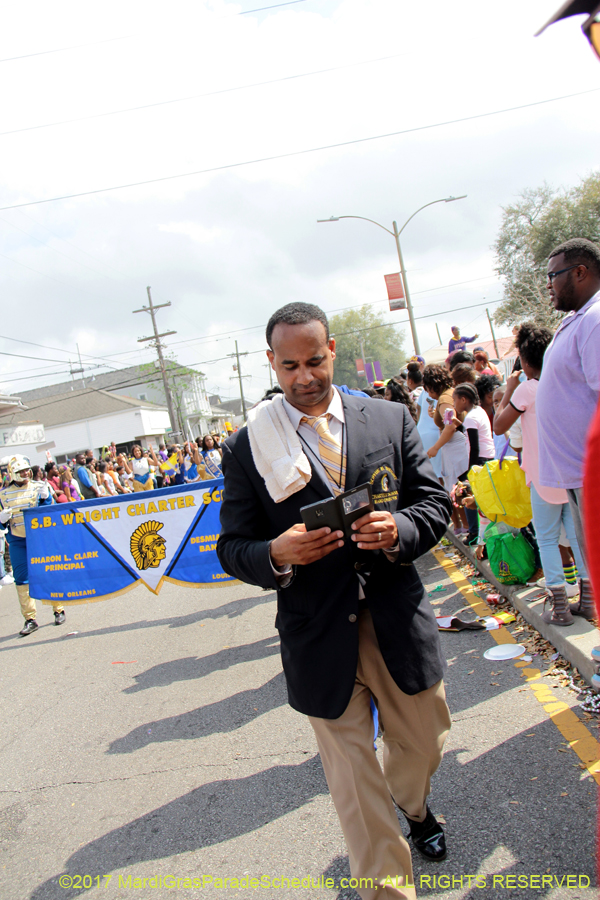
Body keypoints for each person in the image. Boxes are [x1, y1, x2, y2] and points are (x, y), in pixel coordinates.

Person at [217, 302, 453, 899]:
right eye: (290, 364)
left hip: (396, 617)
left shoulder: (389, 419)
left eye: (315, 360)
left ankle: (415, 806)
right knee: (352, 781)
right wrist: (277, 551)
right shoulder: (248, 447)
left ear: (332, 351)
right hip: (318, 634)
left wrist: (398, 532)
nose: (304, 376)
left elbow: (432, 503)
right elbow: (231, 546)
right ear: (271, 362)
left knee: (424, 746)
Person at [536, 238, 600, 593]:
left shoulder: (595, 319)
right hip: (579, 474)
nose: (549, 285)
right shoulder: (579, 319)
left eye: (553, 276)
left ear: (579, 272)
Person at [0, 455, 66, 636]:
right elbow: (1, 524)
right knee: (21, 580)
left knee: (49, 572)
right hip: (17, 540)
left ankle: (59, 609)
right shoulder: (3, 494)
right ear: (13, 473)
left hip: (39, 538)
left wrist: (46, 500)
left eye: (27, 470)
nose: (26, 473)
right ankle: (30, 618)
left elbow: (49, 513)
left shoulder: (39, 487)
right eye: (21, 471)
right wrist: (1, 520)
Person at [423, 365, 469, 531]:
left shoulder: (444, 399)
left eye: (427, 389)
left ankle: (466, 527)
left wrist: (435, 448)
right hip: (458, 444)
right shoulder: (451, 393)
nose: (428, 394)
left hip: (454, 447)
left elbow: (450, 426)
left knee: (456, 488)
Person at [452, 383, 495, 545]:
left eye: (455, 400)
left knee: (468, 495)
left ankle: (475, 534)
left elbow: (475, 447)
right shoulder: (479, 412)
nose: (454, 404)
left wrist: (469, 473)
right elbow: (469, 433)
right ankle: (479, 535)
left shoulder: (471, 417)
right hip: (488, 459)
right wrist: (456, 423)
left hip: (480, 461)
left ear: (464, 399)